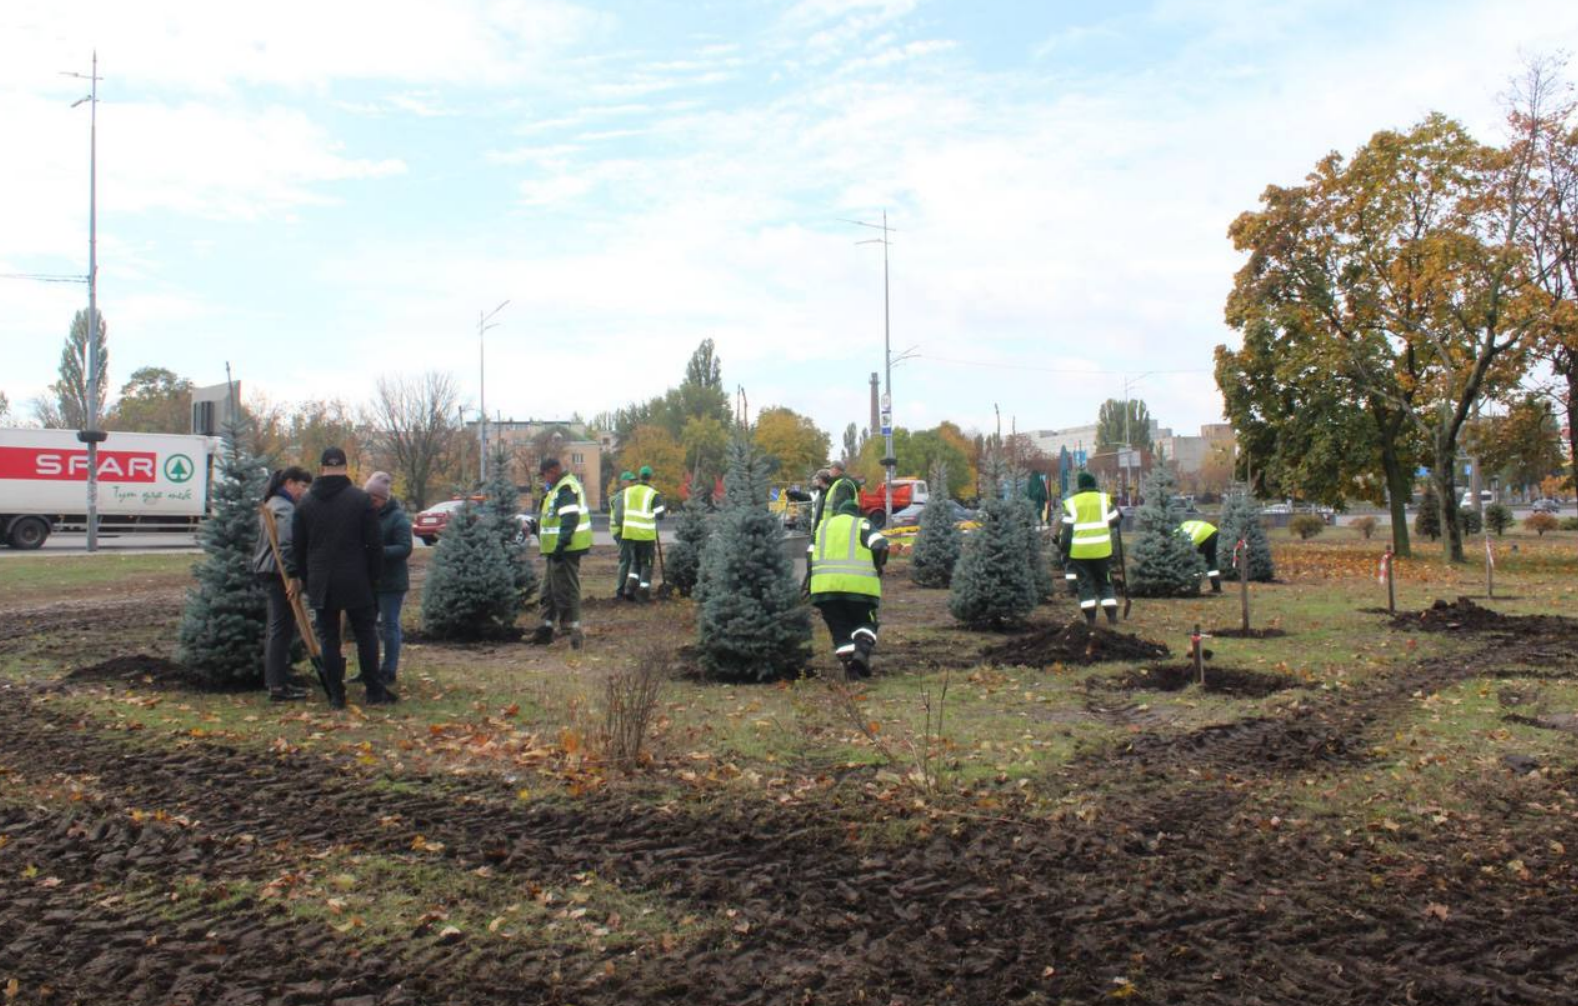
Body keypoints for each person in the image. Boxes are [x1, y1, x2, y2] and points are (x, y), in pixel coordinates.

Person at [290, 447, 395, 709]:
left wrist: (305, 578)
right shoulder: (360, 500)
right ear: (346, 468)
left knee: (328, 638)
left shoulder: (305, 503)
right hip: (356, 577)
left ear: (321, 468)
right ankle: (373, 690)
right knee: (366, 633)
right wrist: (374, 578)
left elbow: (298, 548)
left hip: (321, 579)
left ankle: (337, 695)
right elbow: (374, 544)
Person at [252, 465, 313, 702]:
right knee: (282, 627)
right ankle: (277, 685)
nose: (303, 491)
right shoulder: (285, 509)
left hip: (268, 570)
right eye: (302, 485)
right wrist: (294, 576)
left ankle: (277, 680)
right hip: (278, 573)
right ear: (289, 483)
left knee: (277, 626)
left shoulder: (271, 504)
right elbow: (287, 546)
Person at [810, 498, 889, 679]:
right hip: (859, 590)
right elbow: (880, 545)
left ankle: (850, 670)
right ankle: (861, 652)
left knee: (839, 628)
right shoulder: (862, 524)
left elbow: (809, 553)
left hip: (824, 589)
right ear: (857, 512)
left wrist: (811, 580)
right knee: (865, 622)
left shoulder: (822, 526)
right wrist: (878, 566)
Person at [533, 456, 591, 648]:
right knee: (548, 589)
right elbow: (551, 518)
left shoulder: (566, 488)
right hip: (554, 550)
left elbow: (570, 519)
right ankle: (546, 628)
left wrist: (560, 545)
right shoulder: (556, 489)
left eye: (545, 475)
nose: (545, 479)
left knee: (565, 587)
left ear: (553, 471)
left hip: (566, 549)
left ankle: (572, 630)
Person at [365, 472, 412, 683]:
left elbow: (405, 548)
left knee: (389, 624)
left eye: (373, 499)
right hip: (370, 580)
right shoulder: (367, 514)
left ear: (383, 498)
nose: (370, 502)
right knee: (369, 625)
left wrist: (378, 551)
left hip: (392, 582)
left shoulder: (398, 518)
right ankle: (369, 667)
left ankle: (389, 669)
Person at [1059, 471, 1122, 626]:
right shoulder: (1103, 500)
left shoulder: (1072, 503)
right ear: (1094, 484)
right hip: (1102, 550)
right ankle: (1112, 616)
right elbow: (1116, 521)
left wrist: (1064, 549)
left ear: (1080, 486)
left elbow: (1067, 533)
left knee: (1084, 583)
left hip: (1080, 553)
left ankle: (1090, 619)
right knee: (1104, 581)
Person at [620, 464, 665, 600]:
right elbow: (660, 515)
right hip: (645, 535)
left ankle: (629, 588)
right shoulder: (653, 494)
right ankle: (643, 592)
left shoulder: (629, 491)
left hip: (630, 534)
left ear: (639, 476)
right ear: (650, 477)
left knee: (635, 562)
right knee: (647, 563)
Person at [609, 470, 635, 599]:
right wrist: (628, 531)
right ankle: (620, 591)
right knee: (626, 560)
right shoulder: (622, 497)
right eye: (630, 481)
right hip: (621, 532)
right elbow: (619, 518)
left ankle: (627, 589)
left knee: (630, 559)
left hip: (625, 531)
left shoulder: (628, 494)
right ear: (623, 482)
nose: (632, 483)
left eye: (633, 480)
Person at [1179, 518, 1222, 593]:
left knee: (1196, 561)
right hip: (1213, 531)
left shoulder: (1175, 532)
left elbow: (1184, 547)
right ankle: (1216, 588)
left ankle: (1195, 588)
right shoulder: (1183, 525)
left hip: (1202, 535)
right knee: (1211, 559)